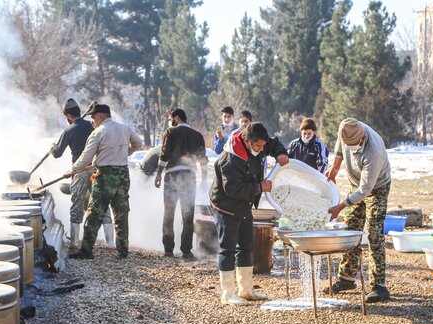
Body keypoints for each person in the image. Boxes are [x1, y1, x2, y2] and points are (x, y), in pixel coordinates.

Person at [209, 123, 289, 305]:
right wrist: (259, 187)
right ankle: (228, 293)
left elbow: (274, 144)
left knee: (246, 245)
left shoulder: (259, 142)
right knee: (227, 247)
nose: (261, 150)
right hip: (225, 205)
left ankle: (245, 289)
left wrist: (280, 153)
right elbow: (232, 189)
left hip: (244, 205)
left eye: (263, 146)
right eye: (258, 146)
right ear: (246, 141)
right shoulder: (229, 159)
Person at [325, 118, 392, 303]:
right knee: (350, 229)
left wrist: (341, 205)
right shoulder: (346, 127)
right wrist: (336, 165)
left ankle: (379, 286)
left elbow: (365, 190)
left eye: (353, 145)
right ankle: (346, 278)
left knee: (373, 232)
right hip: (356, 184)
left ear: (362, 138)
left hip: (376, 187)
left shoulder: (373, 153)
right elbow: (340, 142)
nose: (350, 148)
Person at [67, 103, 142, 259]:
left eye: (93, 117)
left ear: (102, 116)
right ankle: (122, 251)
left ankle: (86, 251)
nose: (92, 121)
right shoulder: (124, 128)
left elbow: (86, 156)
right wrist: (124, 153)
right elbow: (138, 144)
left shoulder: (99, 131)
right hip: (122, 175)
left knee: (94, 213)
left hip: (105, 176)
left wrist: (72, 170)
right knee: (121, 213)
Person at [51, 99, 114, 251]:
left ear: (68, 116)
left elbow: (57, 153)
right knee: (102, 203)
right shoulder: (93, 126)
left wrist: (52, 147)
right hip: (96, 168)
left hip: (79, 170)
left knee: (77, 204)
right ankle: (111, 243)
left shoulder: (69, 130)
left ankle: (73, 242)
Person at [154, 108, 208, 259]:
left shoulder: (171, 132)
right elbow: (202, 160)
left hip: (172, 176)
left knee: (169, 212)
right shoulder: (197, 135)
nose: (171, 121)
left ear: (176, 118)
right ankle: (186, 251)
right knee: (188, 214)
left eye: (171, 118)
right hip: (189, 177)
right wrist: (204, 178)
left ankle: (168, 249)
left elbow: (164, 154)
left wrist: (158, 174)